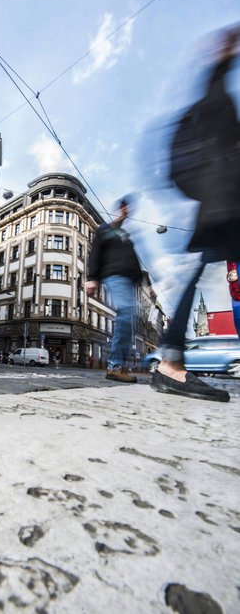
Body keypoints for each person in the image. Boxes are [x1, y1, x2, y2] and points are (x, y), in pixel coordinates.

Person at [151, 27, 240, 402]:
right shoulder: (214, 102)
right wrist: (223, 58)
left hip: (223, 204)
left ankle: (170, 359)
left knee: (199, 274)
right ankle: (170, 361)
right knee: (197, 273)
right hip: (224, 206)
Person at [86, 195, 142, 383]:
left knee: (129, 319)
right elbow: (95, 253)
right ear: (120, 209)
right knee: (125, 312)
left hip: (128, 279)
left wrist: (144, 285)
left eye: (129, 209)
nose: (127, 211)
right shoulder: (105, 230)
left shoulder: (126, 237)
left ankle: (120, 366)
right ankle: (115, 366)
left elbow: (135, 261)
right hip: (113, 275)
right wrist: (92, 278)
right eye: (124, 208)